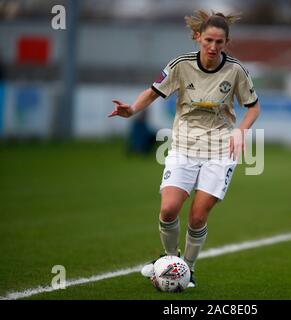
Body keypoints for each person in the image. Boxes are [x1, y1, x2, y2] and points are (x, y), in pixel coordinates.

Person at [108, 10, 260, 288]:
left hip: (219, 151)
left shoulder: (235, 70)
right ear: (197, 37)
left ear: (227, 43)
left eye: (220, 42)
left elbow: (253, 107)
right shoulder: (181, 65)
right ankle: (169, 261)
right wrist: (132, 110)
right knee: (168, 210)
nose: (213, 47)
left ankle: (187, 269)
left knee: (198, 215)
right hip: (183, 148)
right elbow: (153, 91)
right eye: (208, 40)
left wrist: (241, 132)